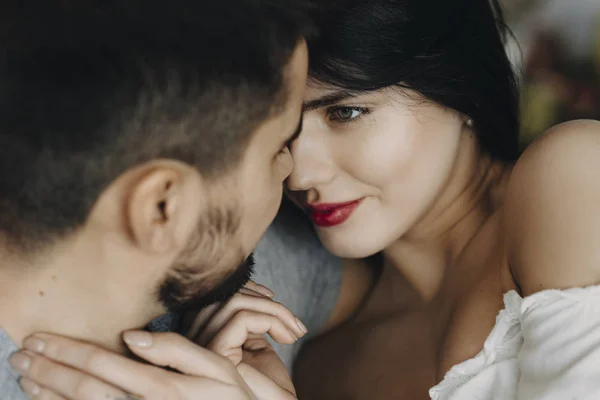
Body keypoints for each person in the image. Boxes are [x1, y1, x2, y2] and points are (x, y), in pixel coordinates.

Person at [279, 0, 600, 399]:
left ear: (454, 80)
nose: (298, 172)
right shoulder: (315, 363)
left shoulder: (571, 175)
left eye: (345, 113)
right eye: (278, 129)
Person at [0, 0, 315, 398]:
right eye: (278, 148)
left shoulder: (248, 288)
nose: (292, 172)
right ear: (162, 209)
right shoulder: (228, 256)